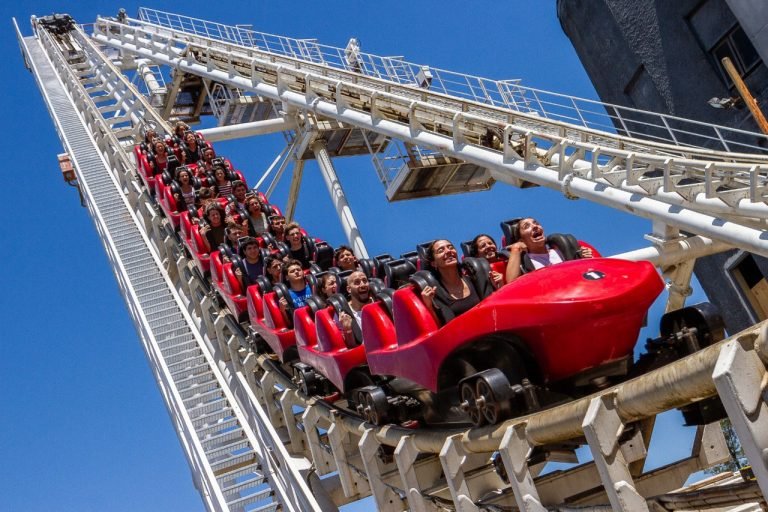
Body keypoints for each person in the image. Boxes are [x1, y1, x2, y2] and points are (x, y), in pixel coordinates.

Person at [420, 239, 494, 325]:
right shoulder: (434, 294)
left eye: (451, 247)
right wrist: (429, 306)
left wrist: (499, 285)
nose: (448, 251)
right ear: (434, 263)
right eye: (441, 250)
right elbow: (439, 327)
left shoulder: (476, 281)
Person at [505, 217, 594, 283]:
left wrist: (586, 259)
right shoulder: (524, 261)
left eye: (536, 223)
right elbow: (511, 283)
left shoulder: (562, 252)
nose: (535, 226)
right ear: (522, 240)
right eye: (527, 226)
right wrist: (516, 249)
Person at [338, 270, 373, 348]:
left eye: (365, 281)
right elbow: (352, 348)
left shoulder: (380, 303)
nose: (363, 285)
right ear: (349, 289)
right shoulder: (344, 314)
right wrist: (348, 329)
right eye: (357, 282)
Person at [278, 259, 313, 323]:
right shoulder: (286, 296)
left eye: (298, 270)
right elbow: (289, 323)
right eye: (292, 271)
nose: (296, 272)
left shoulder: (313, 288)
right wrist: (283, 311)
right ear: (287, 277)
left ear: (303, 273)